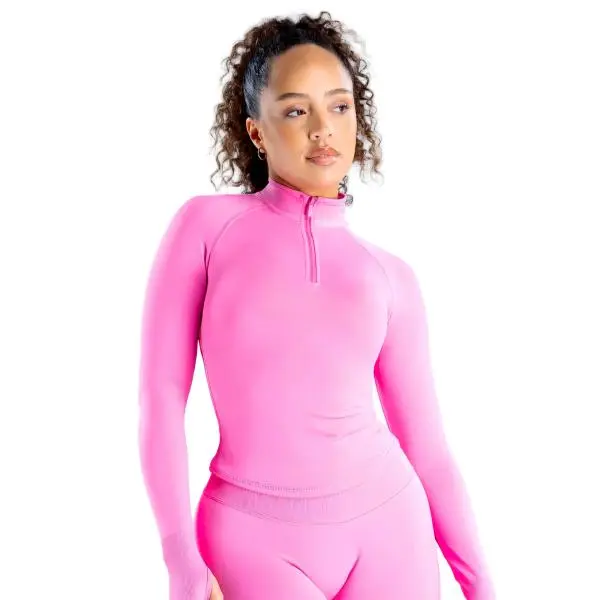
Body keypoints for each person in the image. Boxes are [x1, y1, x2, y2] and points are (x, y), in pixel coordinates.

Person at [138, 10, 496, 600]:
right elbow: (160, 401)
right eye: (296, 111)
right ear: (256, 132)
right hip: (251, 537)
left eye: (339, 106)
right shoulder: (205, 229)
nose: (323, 129)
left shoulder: (390, 277)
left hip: (389, 530)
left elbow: (427, 447)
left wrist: (481, 584)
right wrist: (182, 564)